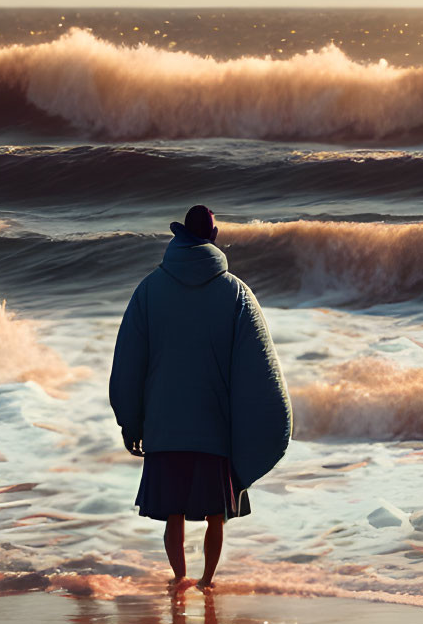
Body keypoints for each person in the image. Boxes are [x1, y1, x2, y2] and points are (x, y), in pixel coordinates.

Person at [109, 205, 291, 589]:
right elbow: (259, 370)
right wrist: (259, 431)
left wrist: (130, 421)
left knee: (173, 513)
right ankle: (207, 582)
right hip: (213, 429)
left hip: (164, 428)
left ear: (179, 235)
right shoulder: (236, 292)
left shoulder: (148, 289)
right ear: (215, 235)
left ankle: (180, 579)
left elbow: (128, 362)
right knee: (215, 515)